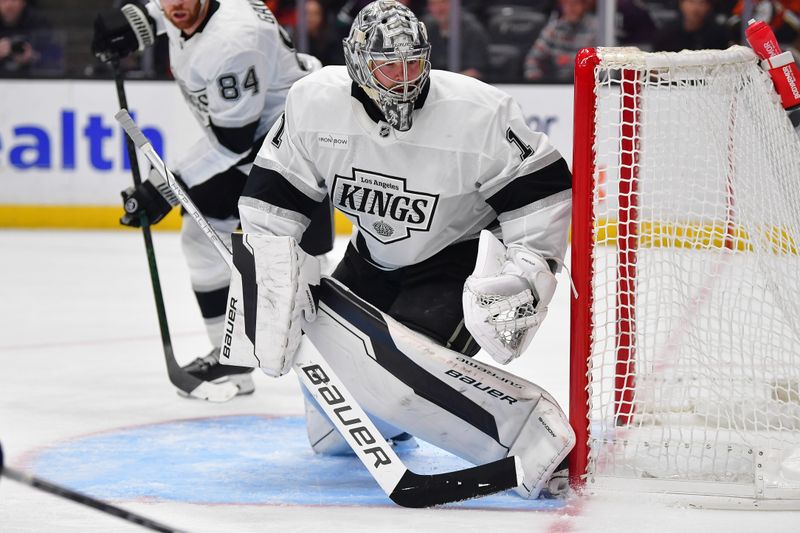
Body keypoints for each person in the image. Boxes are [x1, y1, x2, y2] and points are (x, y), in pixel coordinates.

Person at [236, 0, 575, 499]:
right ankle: (391, 419)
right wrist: (270, 272)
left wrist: (526, 271)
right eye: (387, 64)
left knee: (402, 374)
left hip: (453, 259)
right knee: (334, 430)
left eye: (413, 62)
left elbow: (542, 193)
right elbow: (274, 200)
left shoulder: (479, 112)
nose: (402, 77)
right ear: (356, 62)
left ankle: (533, 438)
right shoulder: (314, 102)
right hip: (371, 254)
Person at [91, 0, 334, 398]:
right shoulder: (186, 9)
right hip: (257, 142)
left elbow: (232, 141)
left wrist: (162, 187)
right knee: (203, 239)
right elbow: (161, 15)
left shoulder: (233, 41)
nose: (175, 5)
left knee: (298, 263)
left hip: (295, 144)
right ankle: (232, 358)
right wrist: (130, 24)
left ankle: (342, 363)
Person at [523, 0, 598, 82]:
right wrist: (536, 81)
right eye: (566, 4)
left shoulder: (595, 28)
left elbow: (599, 60)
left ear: (583, 6)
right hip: (557, 83)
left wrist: (569, 60)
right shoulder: (554, 28)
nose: (570, 8)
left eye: (575, 4)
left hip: (587, 82)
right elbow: (532, 58)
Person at [422, 0, 489, 78]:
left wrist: (445, 81)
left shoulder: (473, 30)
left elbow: (476, 71)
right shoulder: (426, 29)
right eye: (433, 4)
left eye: (443, 2)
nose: (438, 9)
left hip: (464, 85)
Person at [0, 0, 56, 74]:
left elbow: (54, 58)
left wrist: (33, 56)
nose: (9, 5)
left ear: (23, 2)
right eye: (4, 1)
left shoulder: (39, 23)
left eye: (14, 0)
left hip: (33, 80)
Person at [653, 0, 731, 52]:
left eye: (701, 3)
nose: (695, 9)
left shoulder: (719, 34)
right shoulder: (667, 33)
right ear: (681, 4)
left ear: (709, 6)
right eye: (691, 1)